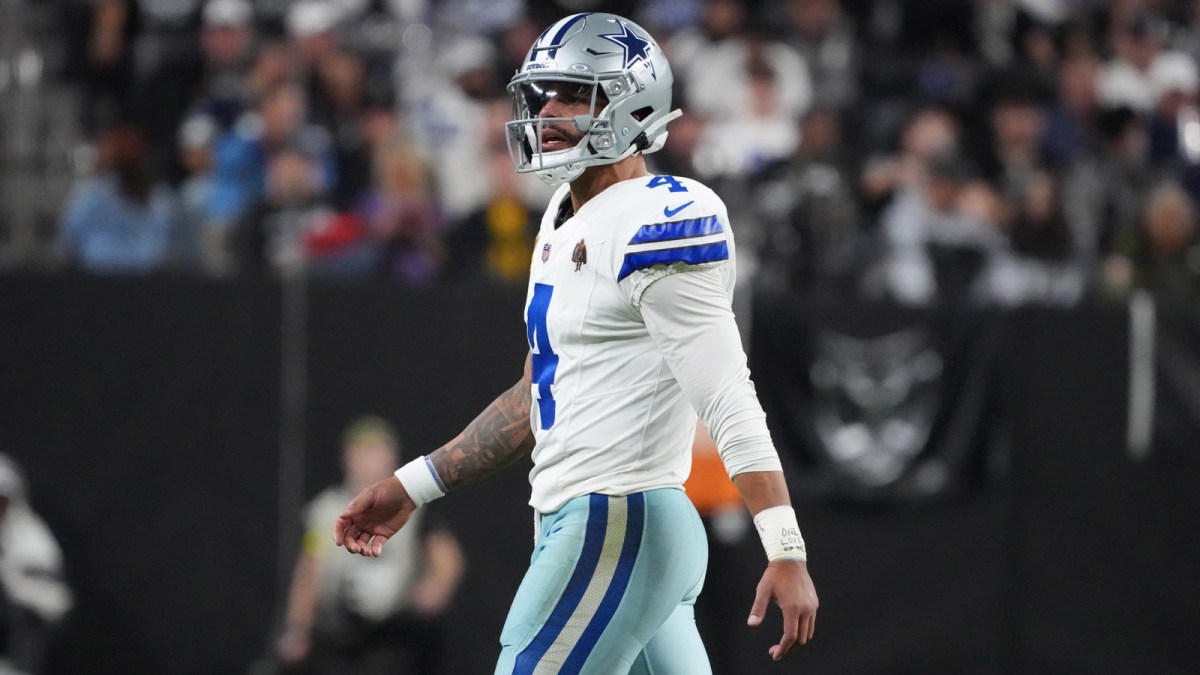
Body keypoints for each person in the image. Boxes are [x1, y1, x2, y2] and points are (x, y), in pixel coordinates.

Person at [333, 13, 818, 674]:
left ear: (634, 103)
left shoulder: (662, 216)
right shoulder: (564, 214)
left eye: (572, 94)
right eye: (543, 95)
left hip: (617, 519)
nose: (547, 111)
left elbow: (726, 392)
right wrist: (415, 484)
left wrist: (785, 545)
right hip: (605, 528)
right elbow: (538, 392)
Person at [277, 417, 464, 674]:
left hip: (397, 628)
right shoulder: (324, 512)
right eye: (364, 453)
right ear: (348, 458)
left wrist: (435, 587)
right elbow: (309, 569)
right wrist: (299, 628)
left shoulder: (413, 505)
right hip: (340, 632)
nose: (371, 461)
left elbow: (444, 552)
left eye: (377, 453)